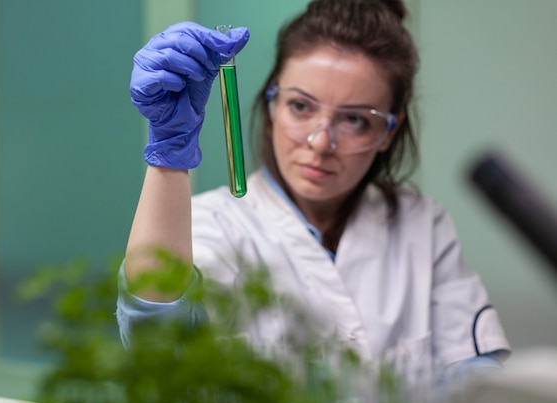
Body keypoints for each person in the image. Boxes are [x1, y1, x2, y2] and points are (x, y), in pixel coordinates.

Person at [116, 0, 510, 373]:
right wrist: (168, 154)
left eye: (356, 120)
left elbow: (473, 379)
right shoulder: (211, 224)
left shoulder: (421, 223)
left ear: (389, 130)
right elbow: (155, 341)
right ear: (272, 104)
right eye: (301, 106)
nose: (321, 143)